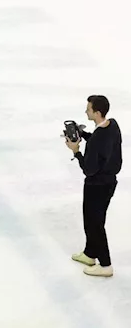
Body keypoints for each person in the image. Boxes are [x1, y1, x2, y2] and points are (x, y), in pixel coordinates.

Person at [67, 94, 121, 277]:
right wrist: (83, 134)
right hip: (109, 182)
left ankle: (106, 265)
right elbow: (101, 142)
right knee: (95, 221)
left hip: (96, 186)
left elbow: (88, 169)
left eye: (88, 109)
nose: (86, 111)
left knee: (94, 224)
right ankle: (90, 253)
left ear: (97, 113)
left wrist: (76, 151)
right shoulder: (112, 126)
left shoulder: (98, 138)